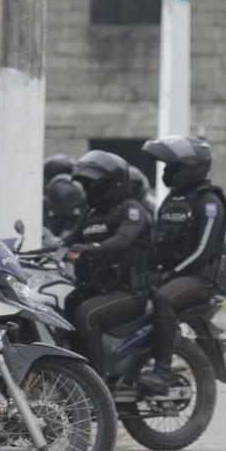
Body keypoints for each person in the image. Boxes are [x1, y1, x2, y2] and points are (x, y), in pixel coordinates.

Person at [137, 136, 226, 394]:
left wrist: (169, 275)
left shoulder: (209, 202)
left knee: (164, 298)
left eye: (173, 167)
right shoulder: (173, 200)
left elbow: (201, 251)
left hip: (200, 279)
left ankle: (162, 373)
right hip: (172, 274)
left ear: (192, 167)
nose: (167, 172)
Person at [62, 151, 151, 379]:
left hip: (129, 291)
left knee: (86, 314)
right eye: (86, 184)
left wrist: (94, 248)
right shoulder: (92, 213)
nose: (88, 190)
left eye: (93, 184)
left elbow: (123, 239)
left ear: (114, 184)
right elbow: (66, 242)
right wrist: (24, 252)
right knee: (62, 306)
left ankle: (96, 383)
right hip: (100, 287)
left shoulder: (131, 209)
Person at [44, 173, 86, 241]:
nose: (66, 212)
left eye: (68, 209)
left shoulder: (82, 198)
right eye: (59, 209)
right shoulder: (48, 201)